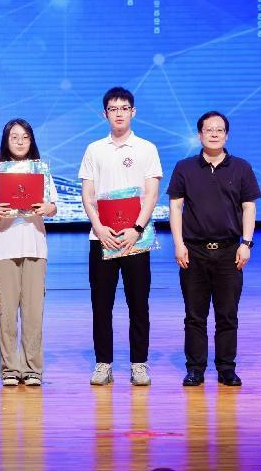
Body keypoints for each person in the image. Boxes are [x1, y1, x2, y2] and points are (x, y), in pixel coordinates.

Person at [167, 111, 261, 387]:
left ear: (227, 135)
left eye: (220, 130)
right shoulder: (184, 167)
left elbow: (249, 207)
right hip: (194, 251)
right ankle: (195, 369)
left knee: (227, 314)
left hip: (229, 251)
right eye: (209, 130)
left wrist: (246, 243)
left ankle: (226, 368)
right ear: (200, 135)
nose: (214, 134)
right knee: (194, 315)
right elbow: (175, 207)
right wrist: (179, 244)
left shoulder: (241, 167)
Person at [78, 87, 162, 386]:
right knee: (101, 305)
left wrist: (137, 228)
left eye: (124, 108)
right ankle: (103, 364)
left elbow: (151, 194)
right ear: (105, 114)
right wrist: (99, 228)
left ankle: (139, 364)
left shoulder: (146, 148)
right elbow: (87, 194)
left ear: (133, 112)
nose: (119, 113)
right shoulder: (94, 149)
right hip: (102, 237)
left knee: (138, 304)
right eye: (113, 109)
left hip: (135, 238)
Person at [0, 118, 57, 387]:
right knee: (7, 311)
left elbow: (53, 206)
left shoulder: (41, 170)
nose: (20, 141)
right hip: (4, 245)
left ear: (31, 140)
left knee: (34, 311)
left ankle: (33, 368)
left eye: (25, 137)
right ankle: (10, 368)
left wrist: (47, 209)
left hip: (35, 244)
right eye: (14, 137)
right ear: (6, 141)